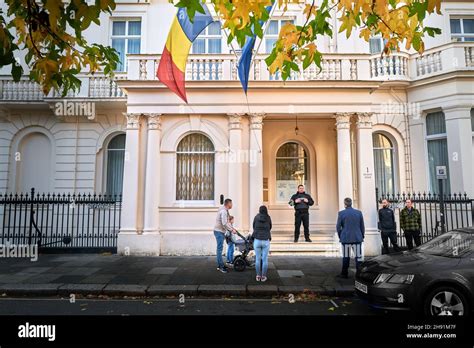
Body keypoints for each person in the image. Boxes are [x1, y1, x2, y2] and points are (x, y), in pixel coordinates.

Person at [336, 197, 365, 279]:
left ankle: (344, 273)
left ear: (345, 204)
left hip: (346, 238)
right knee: (358, 257)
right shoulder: (359, 213)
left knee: (346, 257)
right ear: (351, 203)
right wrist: (362, 235)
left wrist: (340, 236)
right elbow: (362, 226)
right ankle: (359, 274)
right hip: (357, 237)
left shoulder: (341, 213)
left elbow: (338, 227)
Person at [213, 198, 236, 273]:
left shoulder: (225, 210)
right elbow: (224, 223)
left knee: (220, 248)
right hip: (219, 231)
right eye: (231, 203)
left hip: (220, 231)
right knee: (219, 249)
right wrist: (232, 230)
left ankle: (221, 264)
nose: (232, 205)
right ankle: (220, 266)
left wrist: (232, 228)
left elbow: (226, 221)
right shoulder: (223, 211)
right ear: (228, 204)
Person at [252, 205, 272, 282]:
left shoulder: (256, 217)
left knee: (257, 259)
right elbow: (270, 227)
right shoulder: (268, 217)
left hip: (257, 239)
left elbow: (254, 226)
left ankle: (258, 276)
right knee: (264, 259)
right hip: (266, 240)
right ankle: (263, 276)